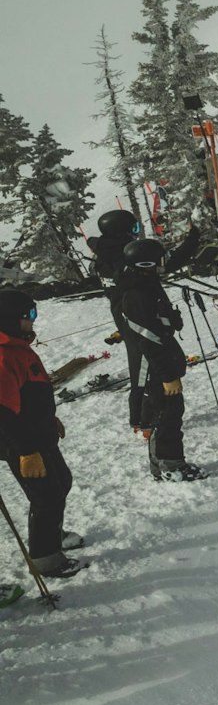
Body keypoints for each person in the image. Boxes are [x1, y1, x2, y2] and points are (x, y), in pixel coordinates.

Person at [0, 290, 83, 577]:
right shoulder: (3, 356)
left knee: (61, 483)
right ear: (9, 319)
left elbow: (30, 394)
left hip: (38, 433)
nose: (34, 320)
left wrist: (50, 418)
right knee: (46, 496)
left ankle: (51, 534)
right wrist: (26, 451)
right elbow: (3, 414)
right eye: (30, 315)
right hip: (22, 442)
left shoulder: (17, 346)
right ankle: (46, 557)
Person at [115, 237, 202, 481]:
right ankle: (171, 466)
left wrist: (170, 319)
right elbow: (149, 340)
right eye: (160, 260)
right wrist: (168, 376)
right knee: (168, 413)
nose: (164, 263)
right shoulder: (136, 294)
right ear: (147, 264)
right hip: (154, 366)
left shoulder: (145, 283)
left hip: (161, 359)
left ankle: (161, 464)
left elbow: (156, 324)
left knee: (167, 411)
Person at [85, 208, 144, 432]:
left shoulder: (106, 252)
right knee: (143, 367)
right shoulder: (119, 256)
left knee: (141, 365)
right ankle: (141, 417)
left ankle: (143, 415)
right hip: (133, 317)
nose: (136, 232)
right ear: (121, 232)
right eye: (133, 228)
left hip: (124, 315)